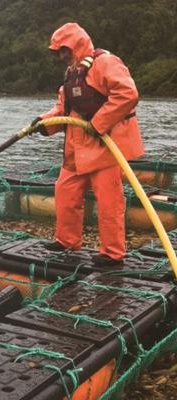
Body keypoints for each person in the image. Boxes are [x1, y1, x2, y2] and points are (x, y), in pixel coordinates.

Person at [31, 22, 144, 266]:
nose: (61, 56)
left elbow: (127, 94)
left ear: (75, 44)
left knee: (109, 202)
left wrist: (99, 123)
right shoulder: (71, 74)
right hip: (76, 148)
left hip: (105, 148)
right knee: (65, 192)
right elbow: (64, 110)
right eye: (58, 52)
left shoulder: (106, 63)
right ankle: (66, 241)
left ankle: (112, 254)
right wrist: (43, 123)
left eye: (64, 50)